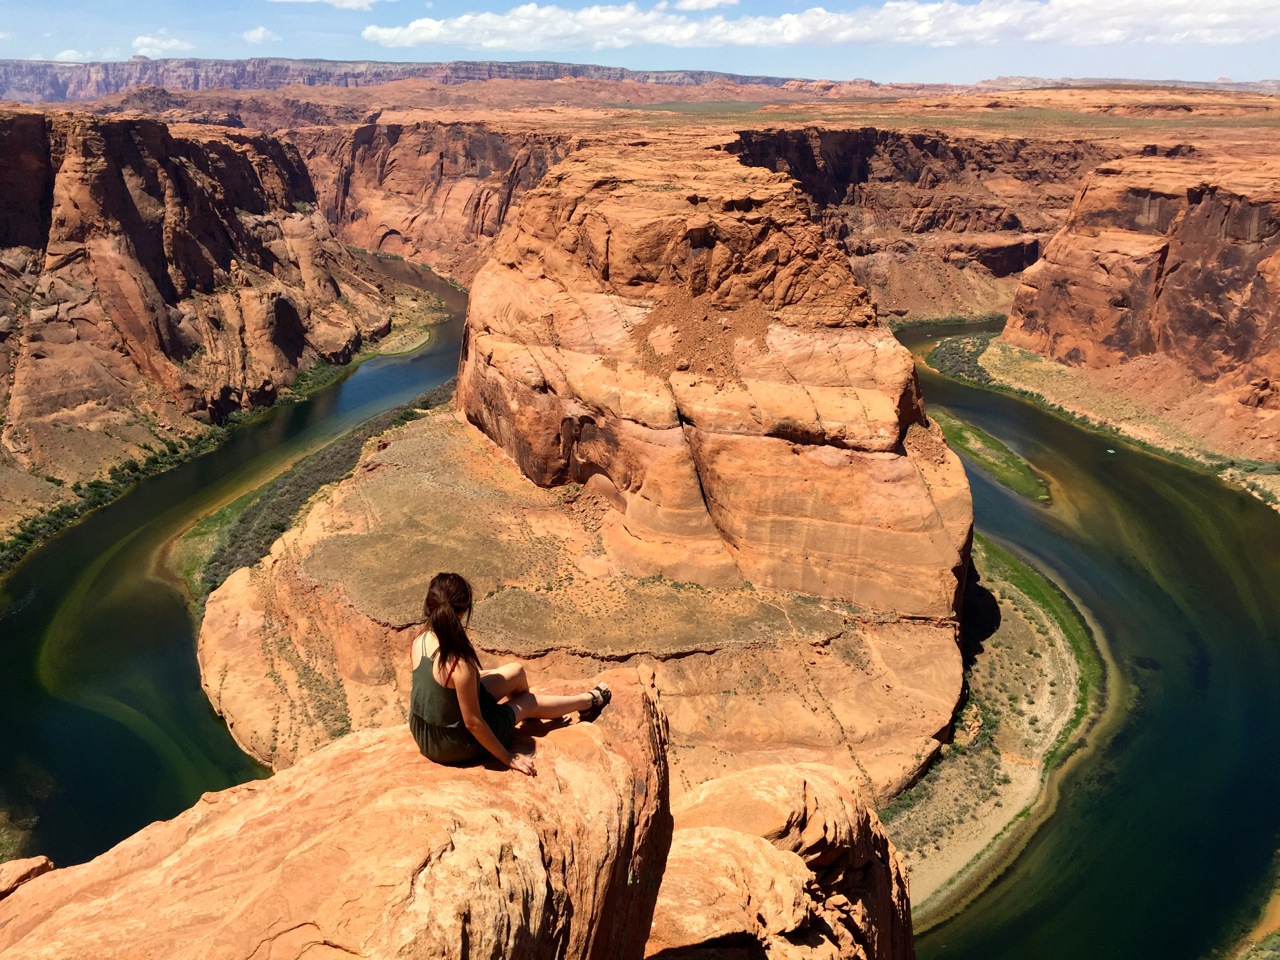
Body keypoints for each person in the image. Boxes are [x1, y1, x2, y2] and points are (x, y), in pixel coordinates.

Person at [409, 571, 611, 776]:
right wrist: (507, 757)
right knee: (528, 702)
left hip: (424, 733)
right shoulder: (460, 663)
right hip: (456, 744)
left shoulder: (420, 638)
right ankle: (586, 702)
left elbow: (438, 685)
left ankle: (531, 716)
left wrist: (474, 678)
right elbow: (472, 723)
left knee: (516, 671)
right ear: (462, 612)